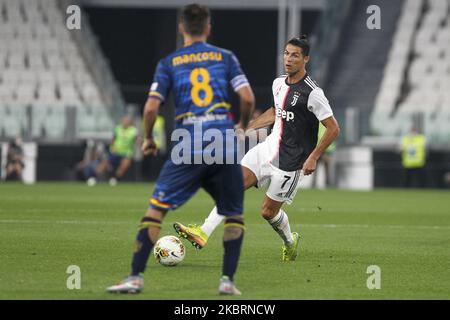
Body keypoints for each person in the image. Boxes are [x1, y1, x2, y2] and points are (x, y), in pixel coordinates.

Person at [106, 3, 255, 295]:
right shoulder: (226, 58)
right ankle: (227, 282)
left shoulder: (170, 62)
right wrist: (241, 125)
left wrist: (148, 138)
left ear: (182, 28)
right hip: (223, 142)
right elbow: (247, 97)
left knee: (157, 208)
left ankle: (135, 278)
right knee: (233, 213)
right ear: (208, 28)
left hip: (187, 143)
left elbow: (151, 107)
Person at [173, 35, 340, 262]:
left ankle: (290, 242)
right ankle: (203, 232)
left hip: (290, 162)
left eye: (295, 55)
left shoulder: (313, 93)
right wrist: (249, 127)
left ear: (306, 59)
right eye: (286, 53)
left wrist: (313, 157)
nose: (288, 59)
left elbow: (333, 129)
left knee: (267, 212)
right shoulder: (278, 83)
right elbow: (275, 111)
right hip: (267, 148)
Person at [95, 116, 138, 186]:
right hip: (116, 151)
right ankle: (94, 178)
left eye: (127, 121)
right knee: (104, 163)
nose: (125, 122)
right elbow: (113, 139)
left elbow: (137, 140)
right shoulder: (118, 128)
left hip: (127, 153)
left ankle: (115, 179)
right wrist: (112, 147)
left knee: (124, 165)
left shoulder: (133, 130)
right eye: (124, 121)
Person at [311, 122, 336, 188]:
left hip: (325, 150)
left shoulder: (324, 122)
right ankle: (314, 184)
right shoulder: (328, 122)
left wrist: (328, 151)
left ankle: (328, 184)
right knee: (314, 167)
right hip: (318, 149)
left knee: (326, 168)